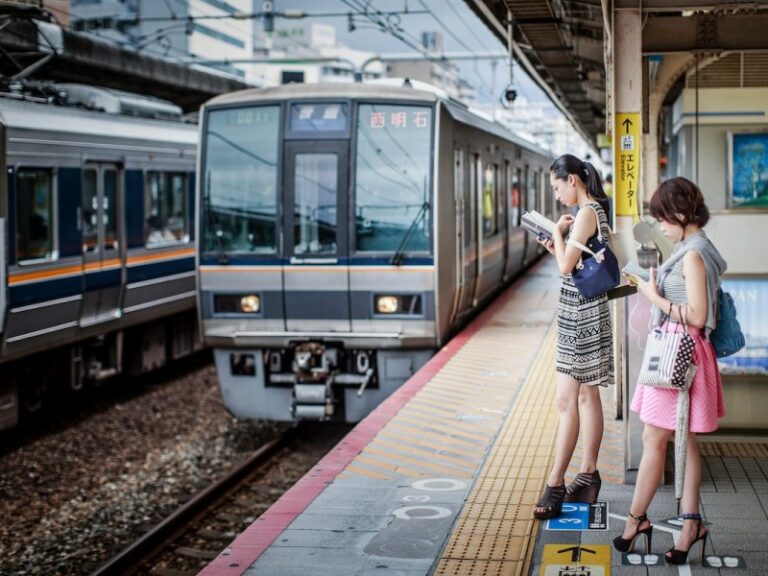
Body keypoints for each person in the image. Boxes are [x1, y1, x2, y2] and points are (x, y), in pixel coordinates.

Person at [614, 177, 725, 563]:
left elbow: (696, 315)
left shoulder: (693, 255)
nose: (660, 225)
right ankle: (691, 524)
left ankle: (634, 520)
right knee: (684, 440)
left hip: (680, 353)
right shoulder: (695, 249)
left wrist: (652, 296)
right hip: (684, 353)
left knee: (653, 439)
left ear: (681, 213)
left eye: (663, 218)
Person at [533, 154, 614, 520]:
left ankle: (555, 485)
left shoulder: (585, 214)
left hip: (578, 315)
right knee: (587, 394)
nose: (557, 194)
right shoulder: (597, 211)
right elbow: (571, 266)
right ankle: (588, 474)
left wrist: (556, 234)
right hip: (588, 307)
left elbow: (567, 268)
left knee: (568, 401)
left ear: (573, 181)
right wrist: (559, 246)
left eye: (557, 186)